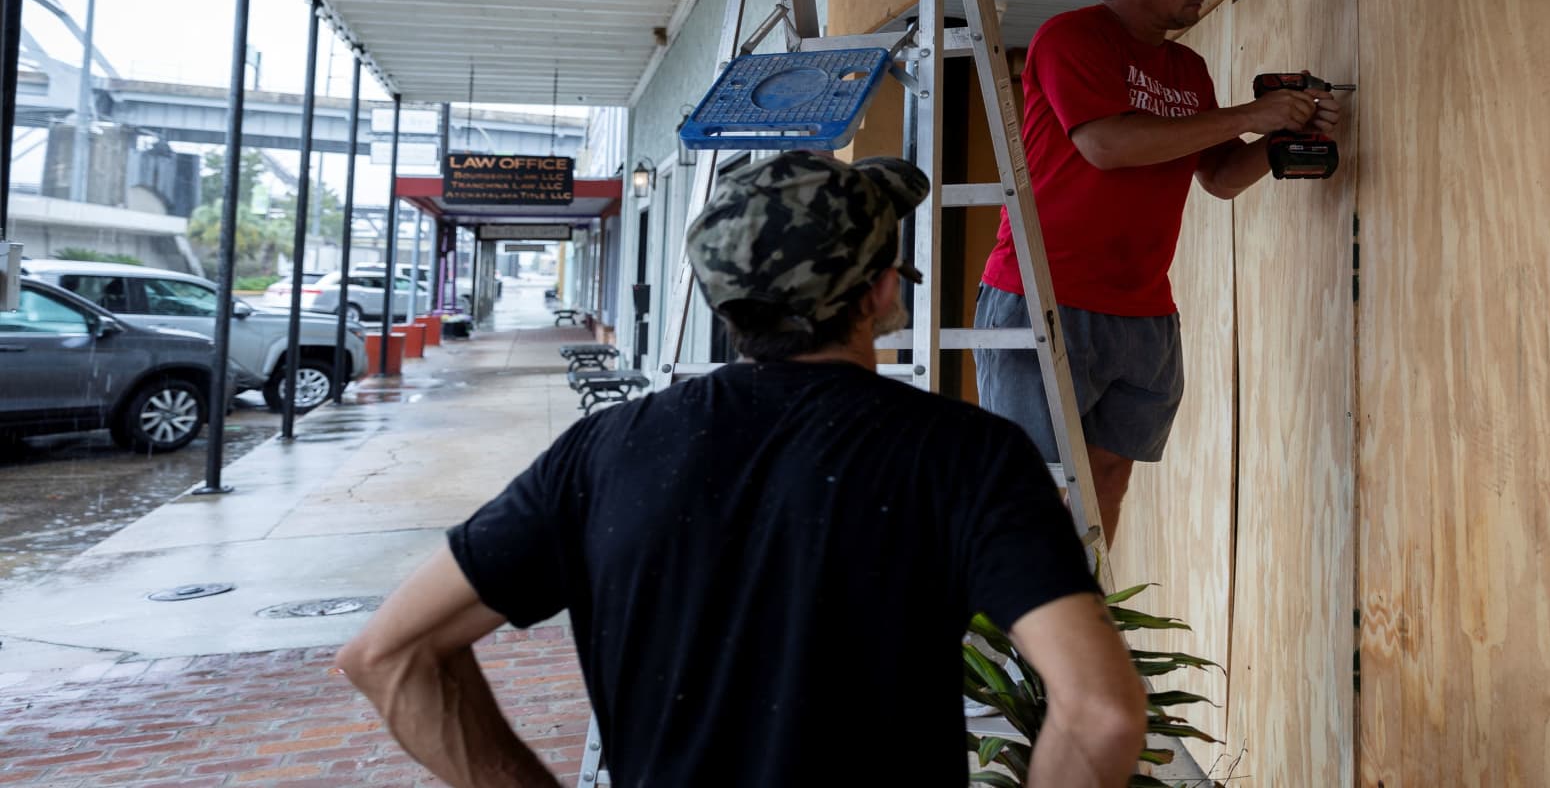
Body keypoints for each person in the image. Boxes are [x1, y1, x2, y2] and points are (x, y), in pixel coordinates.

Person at [337, 151, 1147, 788]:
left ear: (726, 303)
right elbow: (1101, 712)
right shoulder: (967, 455)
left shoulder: (603, 451)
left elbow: (387, 656)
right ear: (883, 295)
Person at [975, 0, 1343, 548]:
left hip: (1143, 308)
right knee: (1029, 484)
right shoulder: (1071, 36)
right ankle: (1012, 644)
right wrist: (1249, 114)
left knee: (1107, 480)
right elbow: (1107, 145)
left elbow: (1221, 178)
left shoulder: (1188, 70)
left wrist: (1282, 136)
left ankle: (1085, 618)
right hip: (1044, 294)